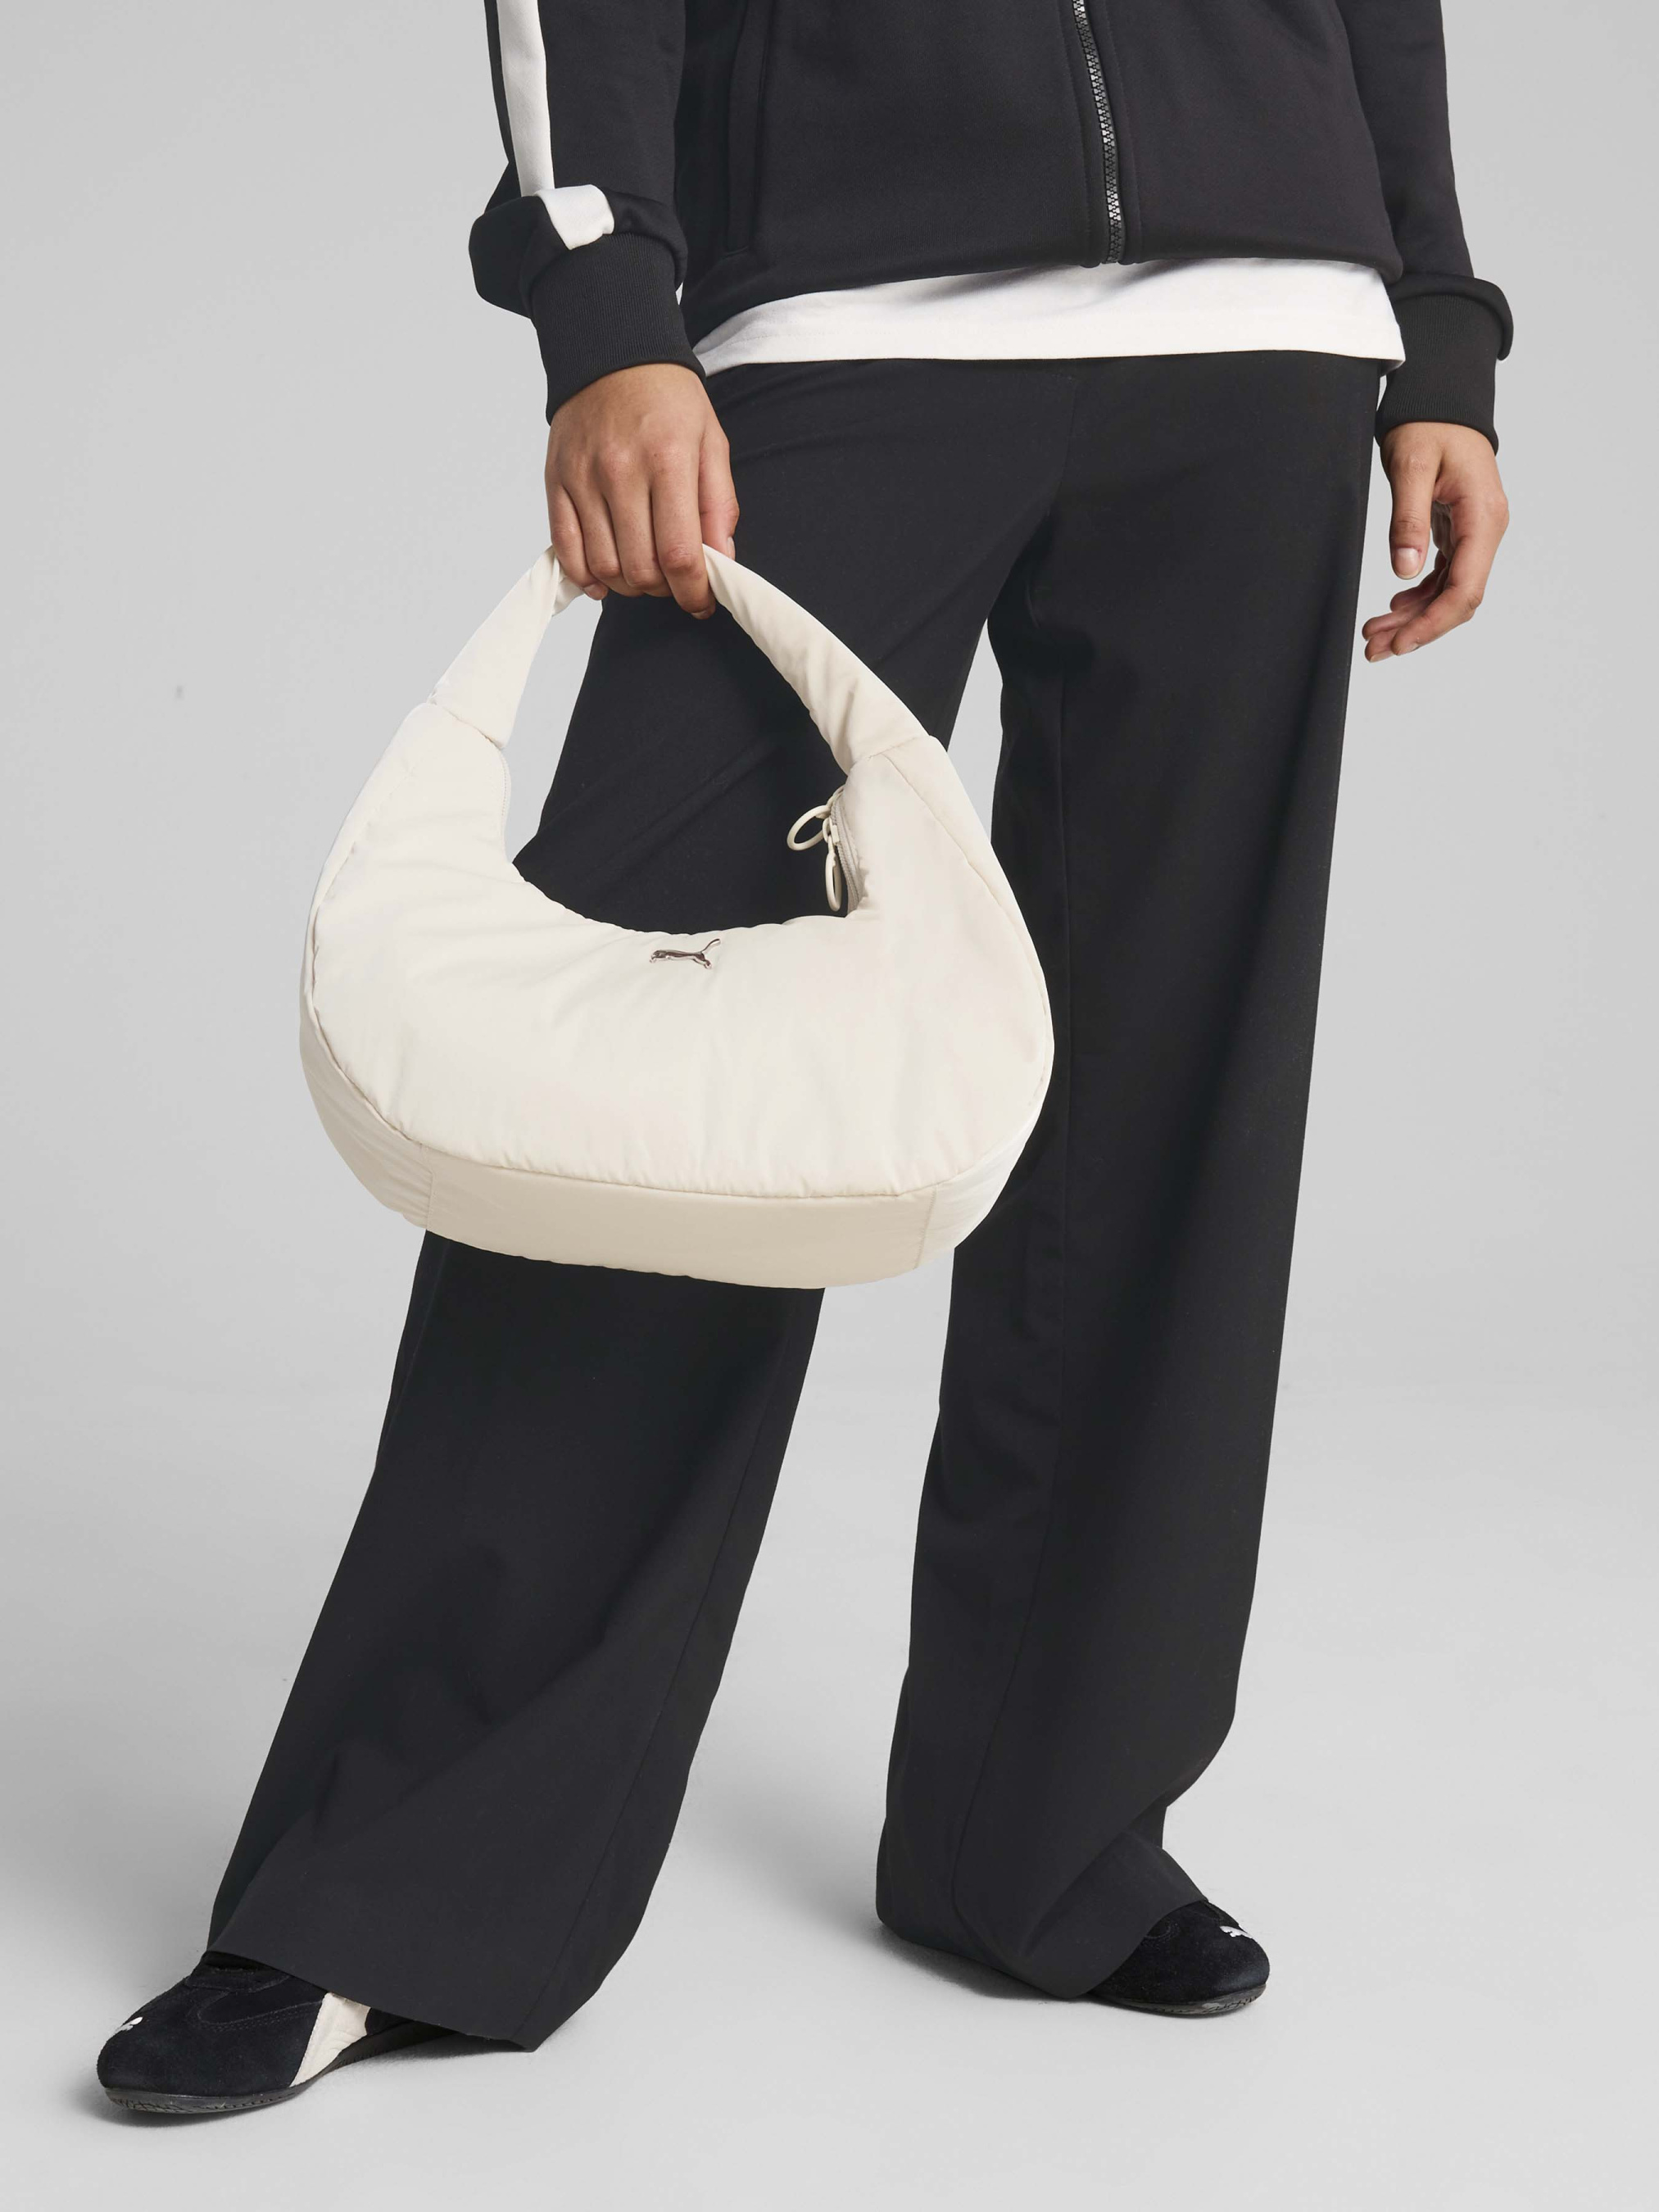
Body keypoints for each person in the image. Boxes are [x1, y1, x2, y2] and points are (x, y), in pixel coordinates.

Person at [98, 0, 1510, 2115]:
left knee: (1165, 1112)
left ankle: (1050, 1844)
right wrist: (604, 301)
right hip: (836, 306)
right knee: (640, 1118)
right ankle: (391, 1899)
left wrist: (1436, 320)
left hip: (1264, 330)